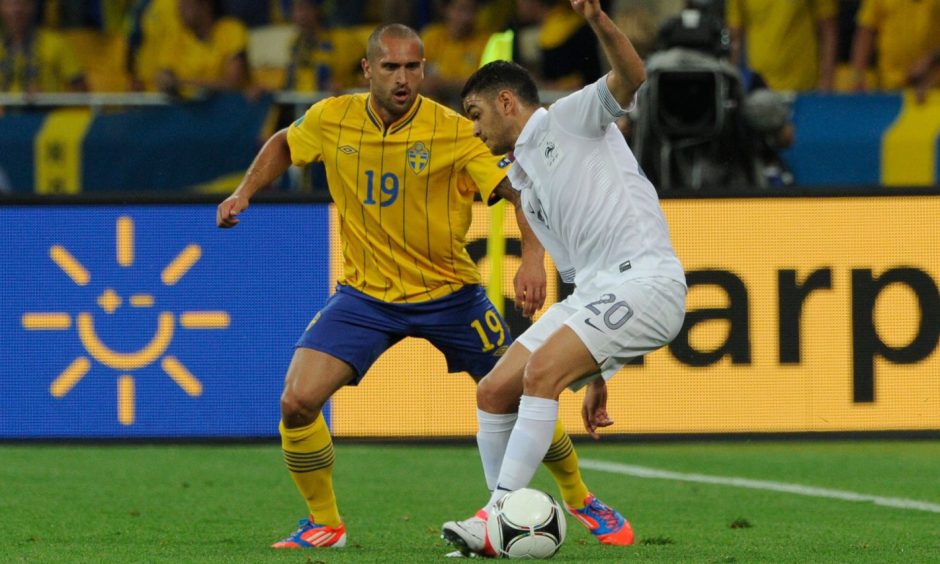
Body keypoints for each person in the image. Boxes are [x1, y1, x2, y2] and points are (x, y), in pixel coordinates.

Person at [216, 22, 633, 550]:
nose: (404, 78)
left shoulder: (456, 130)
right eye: (390, 67)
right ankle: (325, 522)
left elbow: (519, 190)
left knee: (518, 388)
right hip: (366, 297)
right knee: (297, 401)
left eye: (413, 66)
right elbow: (283, 142)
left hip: (452, 296)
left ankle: (579, 497)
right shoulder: (331, 118)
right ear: (367, 70)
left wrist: (532, 257)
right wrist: (244, 192)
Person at [442, 0, 687, 556]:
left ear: (507, 102)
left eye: (476, 115)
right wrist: (601, 371)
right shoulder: (529, 187)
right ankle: (499, 521)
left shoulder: (570, 118)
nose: (474, 130)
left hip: (648, 281)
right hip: (600, 294)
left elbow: (633, 77)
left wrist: (598, 21)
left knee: (541, 375)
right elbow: (579, 291)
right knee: (495, 388)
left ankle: (495, 514)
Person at [726, 0, 838, 92]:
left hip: (804, 87)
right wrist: (731, 89)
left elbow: (828, 29)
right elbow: (734, 38)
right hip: (759, 90)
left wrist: (826, 84)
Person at [151, 0, 249, 97]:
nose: (180, 12)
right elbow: (162, 76)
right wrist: (165, 80)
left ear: (205, 5)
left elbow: (233, 83)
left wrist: (182, 83)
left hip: (231, 109)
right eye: (179, 7)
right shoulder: (177, 38)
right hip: (189, 110)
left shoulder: (231, 30)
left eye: (186, 6)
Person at [849, 0, 940, 94]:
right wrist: (857, 77)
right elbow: (866, 30)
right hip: (889, 86)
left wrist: (931, 60)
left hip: (933, 87)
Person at [0, 0, 87, 93]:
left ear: (33, 7)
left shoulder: (56, 43)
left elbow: (82, 93)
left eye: (23, 3)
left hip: (48, 106)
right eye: (10, 4)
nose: (16, 10)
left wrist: (46, 97)